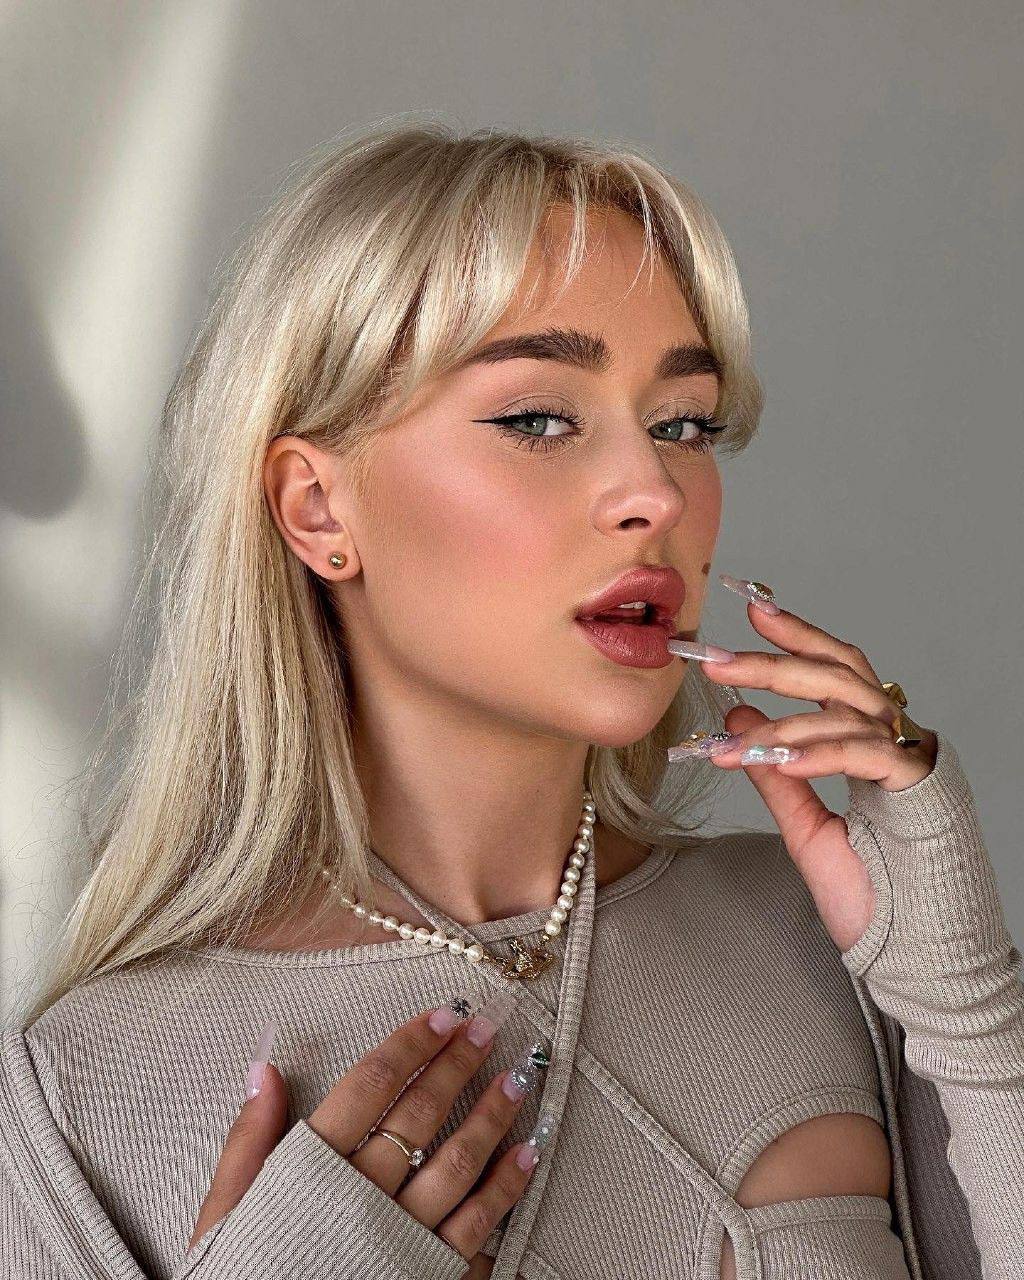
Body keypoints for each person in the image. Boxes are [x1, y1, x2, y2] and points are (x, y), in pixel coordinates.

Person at [2, 119, 1021, 1280]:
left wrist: (967, 1002)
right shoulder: (86, 1088)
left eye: (682, 424)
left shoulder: (826, 938)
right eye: (537, 418)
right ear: (318, 508)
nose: (653, 491)